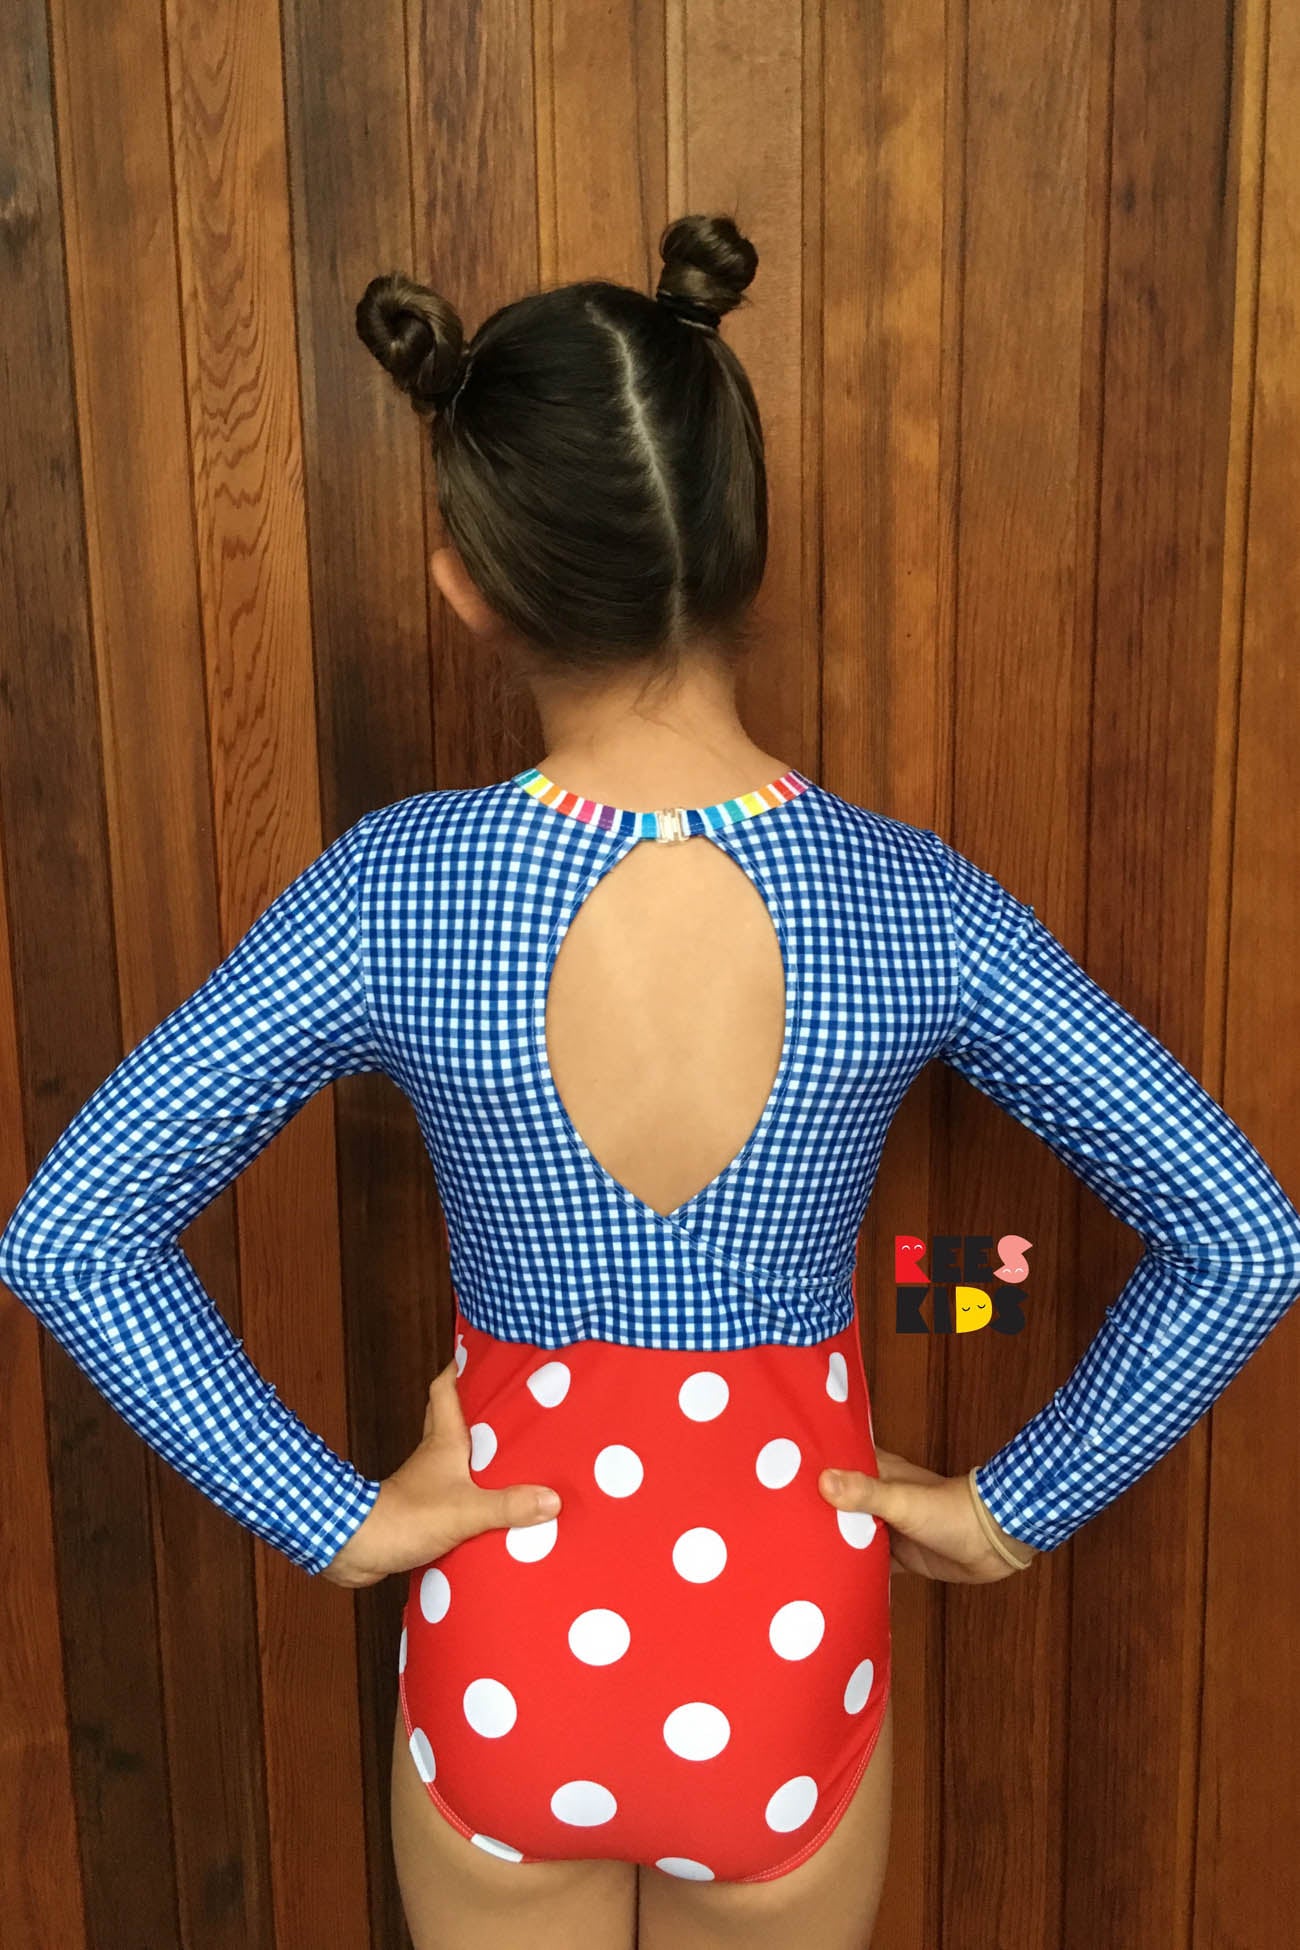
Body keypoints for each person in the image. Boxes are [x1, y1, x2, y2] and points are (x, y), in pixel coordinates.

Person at [2, 211, 1298, 1950]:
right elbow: (1241, 1237)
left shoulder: (394, 892)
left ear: (469, 580)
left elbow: (74, 1231)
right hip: (785, 1636)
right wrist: (1009, 1509)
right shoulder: (913, 901)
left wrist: (336, 1516)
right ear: (742, 546)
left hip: (511, 1629)